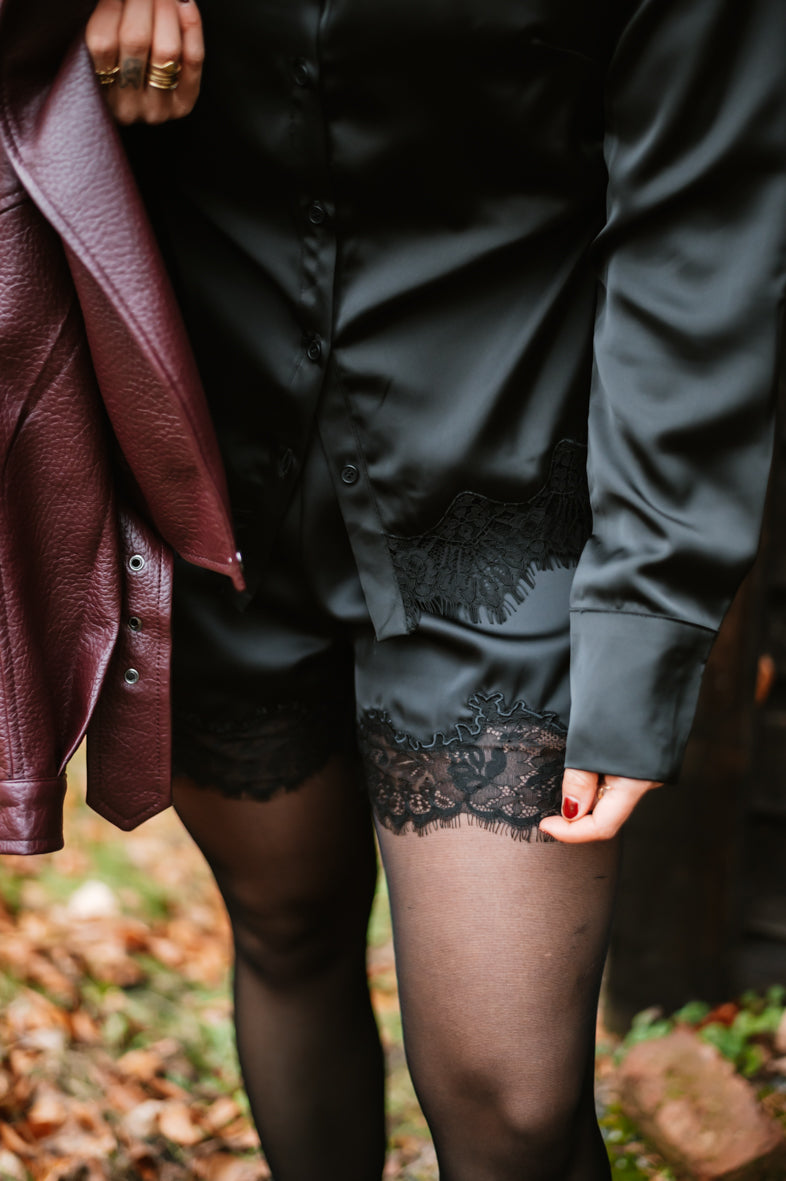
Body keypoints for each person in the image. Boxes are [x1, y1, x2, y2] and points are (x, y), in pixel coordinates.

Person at [77, 0, 786, 1178]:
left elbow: (701, 232)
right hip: (215, 476)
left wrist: (648, 606)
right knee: (287, 931)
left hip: (511, 496)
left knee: (511, 1099)